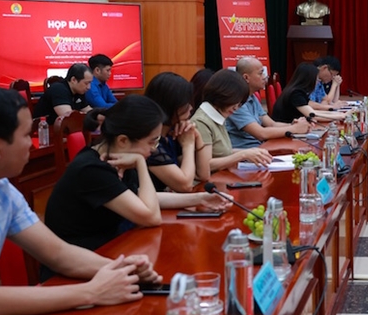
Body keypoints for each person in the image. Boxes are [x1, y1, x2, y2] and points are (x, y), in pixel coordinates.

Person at [0, 88, 161, 315]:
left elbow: (58, 254)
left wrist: (121, 269)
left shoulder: (5, 192)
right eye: (26, 135)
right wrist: (90, 292)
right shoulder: (90, 167)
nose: (31, 144)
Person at [43, 95, 231, 261]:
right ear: (123, 140)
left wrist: (200, 198)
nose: (154, 149)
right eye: (152, 142)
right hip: (81, 264)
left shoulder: (117, 156)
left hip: (112, 251)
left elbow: (141, 198)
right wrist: (141, 163)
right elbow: (151, 217)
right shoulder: (92, 169)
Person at [190, 69, 273, 171]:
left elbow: (223, 153)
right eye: (235, 102)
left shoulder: (218, 115)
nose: (236, 108)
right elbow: (206, 165)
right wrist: (243, 155)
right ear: (223, 94)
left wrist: (251, 152)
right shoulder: (201, 122)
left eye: (240, 104)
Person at [144, 72, 211, 191]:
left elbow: (204, 175)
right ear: (170, 104)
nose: (191, 108)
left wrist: (197, 137)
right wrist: (188, 145)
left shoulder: (172, 133)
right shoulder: (150, 142)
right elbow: (185, 185)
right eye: (185, 103)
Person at [227, 58, 311, 149]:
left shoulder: (252, 96)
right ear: (246, 77)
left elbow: (272, 124)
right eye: (260, 73)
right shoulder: (235, 101)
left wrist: (294, 125)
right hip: (246, 151)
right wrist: (295, 129)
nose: (265, 77)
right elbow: (261, 133)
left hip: (260, 147)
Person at [271, 63, 347, 124]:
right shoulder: (295, 93)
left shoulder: (299, 91)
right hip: (284, 130)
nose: (317, 82)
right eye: (316, 79)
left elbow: (314, 112)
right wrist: (340, 116)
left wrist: (339, 114)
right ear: (308, 79)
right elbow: (312, 115)